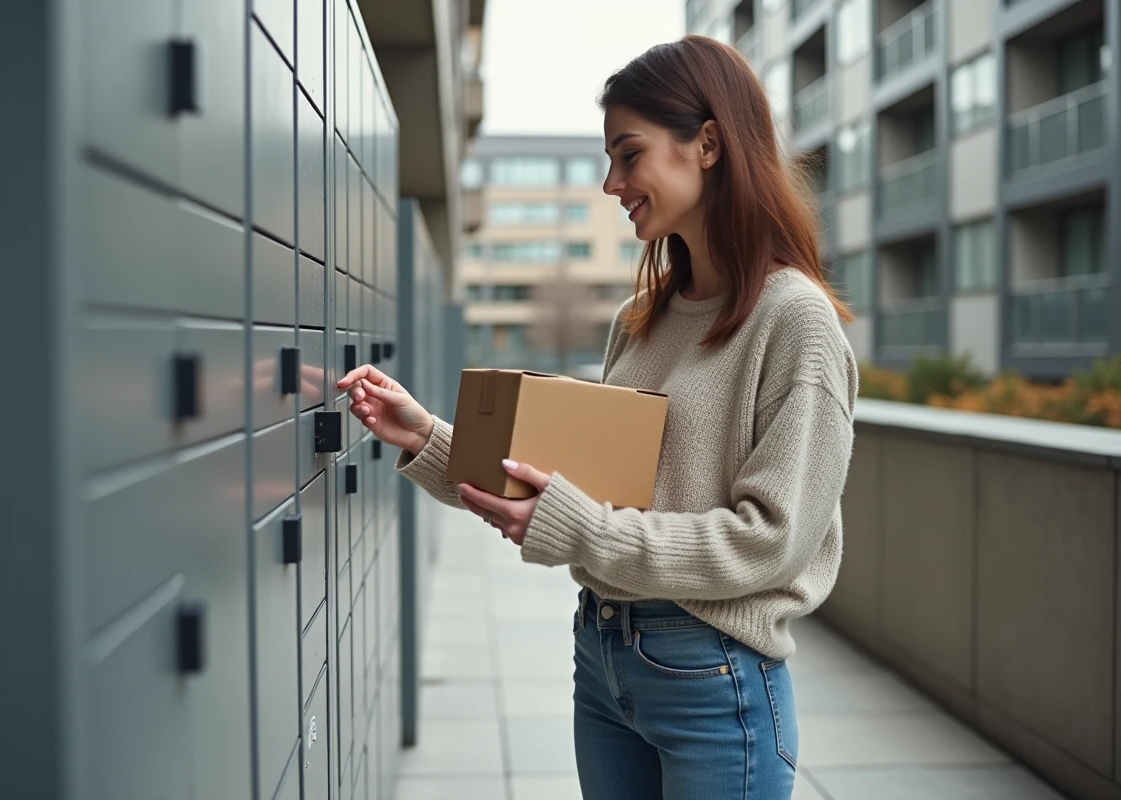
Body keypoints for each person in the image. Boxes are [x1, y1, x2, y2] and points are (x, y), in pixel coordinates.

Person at [338, 35, 857, 800]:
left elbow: (771, 542)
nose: (611, 182)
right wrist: (426, 435)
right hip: (604, 656)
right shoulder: (639, 320)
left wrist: (582, 531)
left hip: (715, 676)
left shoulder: (796, 321)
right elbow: (568, 487)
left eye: (628, 154)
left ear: (707, 143)